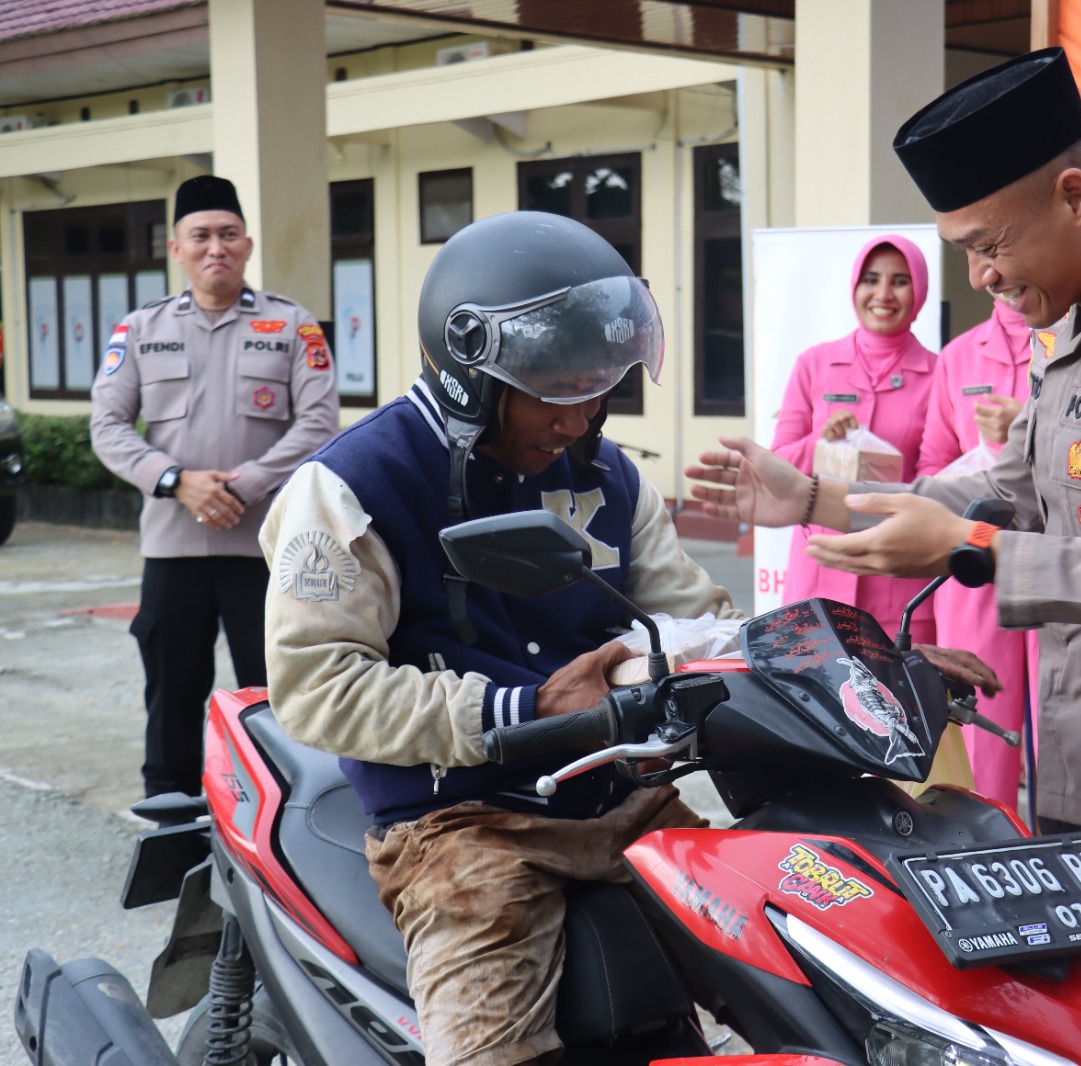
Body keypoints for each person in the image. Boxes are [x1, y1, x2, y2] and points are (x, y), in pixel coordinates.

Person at [687, 46, 1081, 1065]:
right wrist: (814, 497)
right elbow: (1007, 476)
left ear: (1073, 196)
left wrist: (976, 549)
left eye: (988, 246)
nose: (981, 278)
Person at [257, 211, 747, 1066]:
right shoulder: (349, 485)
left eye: (598, 385)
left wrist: (841, 660)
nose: (579, 416)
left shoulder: (611, 476)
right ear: (470, 376)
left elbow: (695, 620)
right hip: (459, 827)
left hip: (622, 801)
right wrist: (527, 707)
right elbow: (318, 687)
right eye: (555, 388)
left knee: (800, 959)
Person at [90, 175, 339, 798]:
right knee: (171, 697)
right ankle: (171, 827)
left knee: (277, 698)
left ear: (247, 245)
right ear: (176, 249)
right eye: (199, 236)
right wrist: (176, 481)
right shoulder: (141, 329)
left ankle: (284, 824)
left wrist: (246, 484)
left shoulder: (292, 325)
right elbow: (107, 425)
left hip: (265, 551)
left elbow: (319, 423)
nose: (215, 248)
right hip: (173, 551)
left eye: (228, 234)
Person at [771, 234, 939, 643]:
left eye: (900, 281)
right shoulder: (814, 364)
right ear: (855, 286)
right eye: (871, 279)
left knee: (898, 685)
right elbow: (777, 467)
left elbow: (939, 481)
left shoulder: (939, 374)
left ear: (919, 290)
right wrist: (819, 443)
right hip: (819, 573)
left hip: (898, 577)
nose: (884, 294)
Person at [917, 298, 1037, 802]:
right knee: (979, 738)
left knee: (1064, 738)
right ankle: (987, 846)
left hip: (1057, 558)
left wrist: (1028, 429)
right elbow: (934, 462)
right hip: (976, 561)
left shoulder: (1079, 347)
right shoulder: (959, 356)